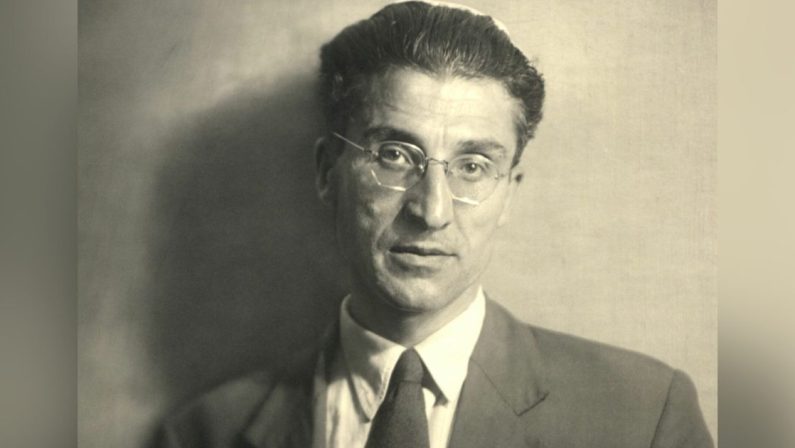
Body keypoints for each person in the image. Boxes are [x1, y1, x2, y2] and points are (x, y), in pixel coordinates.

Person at [158, 2, 713, 447]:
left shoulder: (644, 417)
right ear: (328, 172)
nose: (433, 211)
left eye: (473, 166)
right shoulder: (205, 434)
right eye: (395, 156)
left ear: (509, 193)